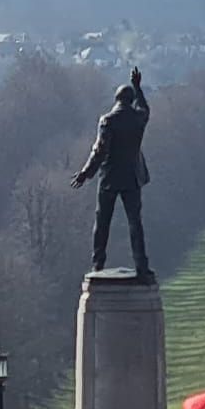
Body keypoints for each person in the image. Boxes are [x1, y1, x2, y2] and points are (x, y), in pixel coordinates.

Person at [70, 67, 154, 279]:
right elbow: (145, 109)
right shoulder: (138, 119)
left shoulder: (107, 121)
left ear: (116, 99)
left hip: (110, 177)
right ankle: (141, 264)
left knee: (102, 222)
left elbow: (99, 151)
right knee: (135, 223)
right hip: (133, 176)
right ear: (131, 99)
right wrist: (138, 87)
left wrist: (85, 173)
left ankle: (98, 264)